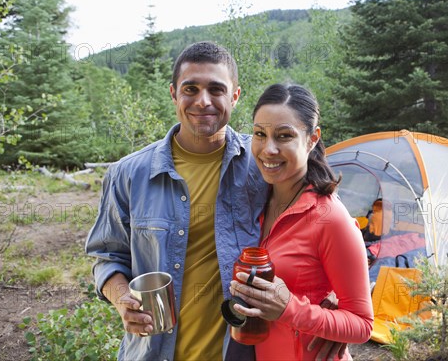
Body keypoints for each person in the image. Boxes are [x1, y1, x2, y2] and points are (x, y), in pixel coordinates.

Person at [85, 42, 350, 361]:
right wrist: (122, 298)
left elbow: (324, 225)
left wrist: (333, 306)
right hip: (152, 351)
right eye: (191, 89)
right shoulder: (128, 174)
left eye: (216, 89)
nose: (203, 101)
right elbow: (106, 255)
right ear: (173, 94)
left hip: (241, 351)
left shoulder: (264, 164)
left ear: (235, 96)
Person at [229, 84, 374, 360]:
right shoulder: (254, 200)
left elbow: (362, 324)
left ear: (312, 139)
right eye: (260, 134)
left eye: (284, 136)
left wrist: (290, 310)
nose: (268, 149)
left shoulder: (330, 219)